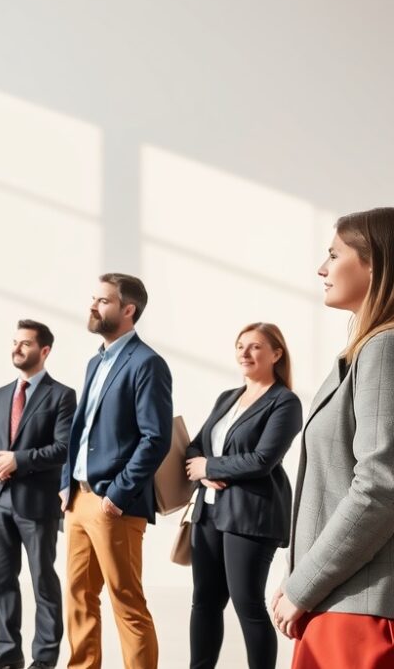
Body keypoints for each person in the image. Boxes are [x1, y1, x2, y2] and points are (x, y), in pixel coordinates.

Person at [272, 208, 394, 667]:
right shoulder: (369, 349)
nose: (322, 269)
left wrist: (303, 584)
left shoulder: (384, 347)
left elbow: (380, 488)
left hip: (359, 607)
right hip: (343, 596)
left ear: (374, 263)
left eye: (333, 254)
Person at [60, 272, 171, 669]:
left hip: (114, 505)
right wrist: (65, 483)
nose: (93, 306)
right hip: (78, 499)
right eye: (94, 298)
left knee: (126, 601)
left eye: (103, 301)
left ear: (128, 309)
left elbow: (155, 438)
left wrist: (118, 494)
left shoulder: (147, 364)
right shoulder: (96, 361)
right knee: (77, 596)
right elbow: (82, 427)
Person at [184, 322, 301, 669]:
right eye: (240, 346)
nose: (244, 353)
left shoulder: (285, 402)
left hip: (251, 516)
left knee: (247, 603)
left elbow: (263, 460)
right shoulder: (227, 398)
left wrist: (211, 467)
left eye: (255, 347)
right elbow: (194, 449)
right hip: (208, 513)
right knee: (204, 601)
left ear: (276, 354)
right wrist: (203, 473)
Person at [0, 320, 76, 669]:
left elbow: (63, 448)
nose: (16, 348)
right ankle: (8, 650)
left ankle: (44, 658)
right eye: (15, 342)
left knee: (43, 580)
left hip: (37, 503)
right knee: (0, 579)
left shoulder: (62, 395)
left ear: (44, 351)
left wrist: (18, 460)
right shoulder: (1, 394)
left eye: (25, 344)